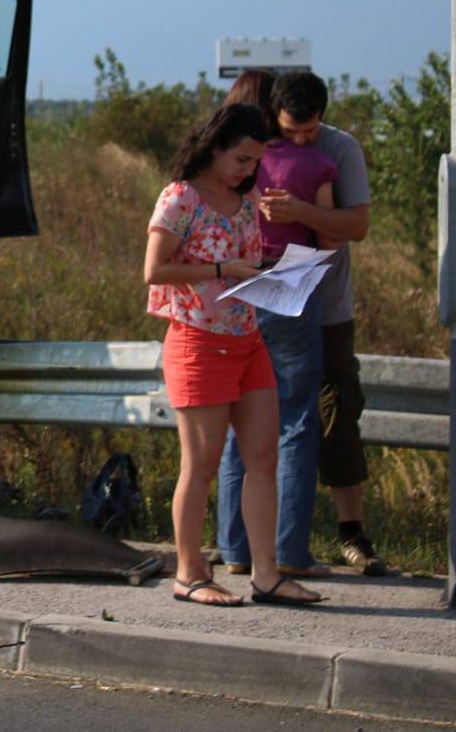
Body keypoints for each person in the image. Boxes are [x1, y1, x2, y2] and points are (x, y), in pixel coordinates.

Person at [143, 103, 325, 607]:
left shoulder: (245, 201)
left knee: (263, 458)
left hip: (249, 341)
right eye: (242, 160)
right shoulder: (181, 197)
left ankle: (266, 575)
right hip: (198, 344)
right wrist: (223, 270)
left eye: (255, 163)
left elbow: (241, 261)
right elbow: (154, 271)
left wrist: (273, 273)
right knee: (199, 465)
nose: (249, 171)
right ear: (215, 147)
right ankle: (189, 573)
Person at [253, 71, 385, 575]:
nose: (302, 140)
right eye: (292, 132)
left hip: (327, 309)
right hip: (272, 302)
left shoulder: (341, 149)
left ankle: (351, 532)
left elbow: (357, 226)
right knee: (268, 418)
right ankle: (271, 540)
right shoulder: (260, 146)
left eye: (310, 131)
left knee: (337, 413)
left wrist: (303, 210)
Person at [215, 70, 339, 577]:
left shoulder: (238, 164)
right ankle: (288, 551)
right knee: (296, 423)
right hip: (289, 290)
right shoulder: (319, 162)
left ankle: (233, 550)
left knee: (236, 427)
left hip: (238, 292)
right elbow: (334, 236)